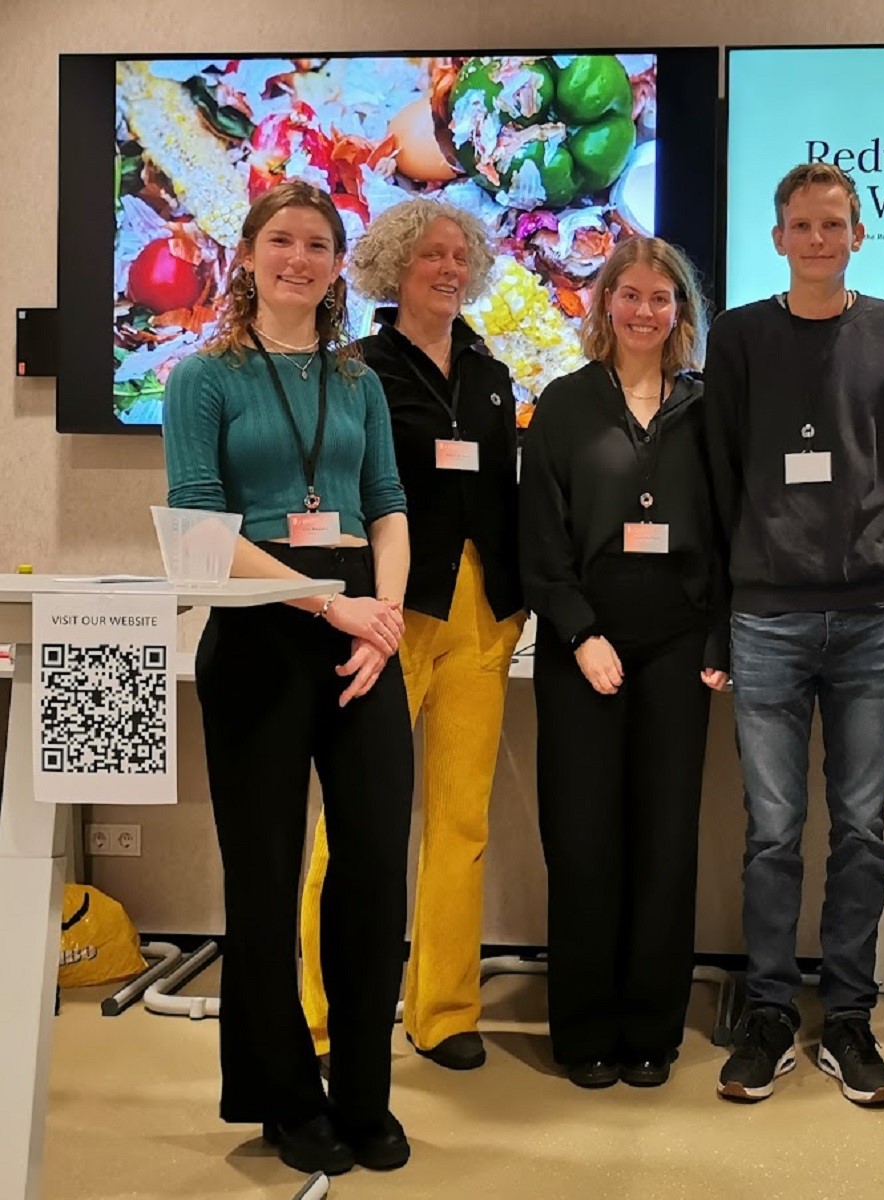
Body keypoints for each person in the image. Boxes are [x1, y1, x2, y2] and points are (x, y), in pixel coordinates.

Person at [162, 180, 412, 1176]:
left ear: (338, 263)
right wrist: (328, 602)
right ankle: (284, 1097)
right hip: (263, 624)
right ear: (250, 255)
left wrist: (382, 619)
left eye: (317, 244)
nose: (299, 259)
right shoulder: (202, 377)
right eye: (281, 241)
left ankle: (362, 1095)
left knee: (371, 874)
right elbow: (194, 530)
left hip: (363, 630)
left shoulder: (357, 382)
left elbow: (388, 503)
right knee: (265, 880)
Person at [704, 161, 884, 1106]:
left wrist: (881, 550)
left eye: (834, 224)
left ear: (857, 234)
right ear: (777, 237)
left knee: (863, 829)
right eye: (801, 225)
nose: (817, 239)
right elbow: (721, 470)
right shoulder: (740, 336)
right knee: (770, 831)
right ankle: (768, 1013)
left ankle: (847, 1018)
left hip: (869, 619)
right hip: (765, 615)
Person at [297, 198, 525, 1074]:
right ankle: (320, 1015)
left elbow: (502, 494)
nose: (448, 269)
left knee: (461, 821)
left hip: (481, 611)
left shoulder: (493, 372)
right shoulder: (355, 369)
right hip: (385, 614)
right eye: (431, 254)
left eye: (460, 255)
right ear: (395, 267)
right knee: (355, 824)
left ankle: (443, 1012)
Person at [520, 237, 723, 1089]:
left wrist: (717, 636)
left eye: (661, 298)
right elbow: (538, 540)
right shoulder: (564, 405)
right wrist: (578, 630)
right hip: (583, 649)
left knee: (666, 843)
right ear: (603, 304)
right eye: (629, 295)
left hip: (680, 650)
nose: (645, 311)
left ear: (682, 312)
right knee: (584, 842)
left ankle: (652, 1030)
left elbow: (730, 531)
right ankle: (584, 1031)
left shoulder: (710, 407)